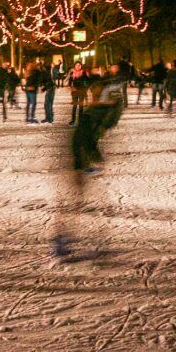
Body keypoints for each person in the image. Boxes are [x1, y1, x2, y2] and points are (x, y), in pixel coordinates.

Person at [52, 64, 127, 260]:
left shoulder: (97, 113)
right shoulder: (94, 114)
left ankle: (69, 239)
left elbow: (90, 135)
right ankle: (66, 239)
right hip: (82, 165)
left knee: (84, 201)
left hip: (84, 163)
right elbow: (82, 141)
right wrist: (90, 161)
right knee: (80, 201)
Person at [67, 61, 90, 125]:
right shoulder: (72, 72)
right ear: (74, 66)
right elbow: (70, 81)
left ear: (81, 66)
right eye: (76, 65)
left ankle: (80, 120)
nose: (78, 66)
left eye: (79, 65)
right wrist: (71, 87)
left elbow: (88, 80)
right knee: (74, 106)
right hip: (74, 91)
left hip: (81, 90)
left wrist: (85, 87)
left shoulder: (83, 72)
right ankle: (73, 120)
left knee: (81, 106)